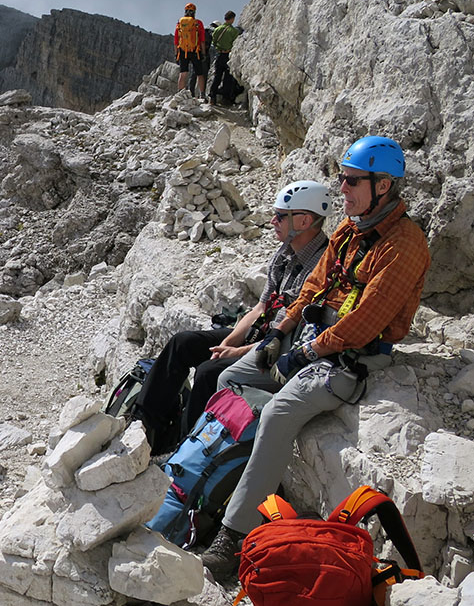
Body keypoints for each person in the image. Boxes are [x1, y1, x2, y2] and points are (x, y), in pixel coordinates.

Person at [200, 136, 431, 578]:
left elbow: (365, 322)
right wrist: (278, 333)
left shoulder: (404, 244)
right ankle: (223, 482)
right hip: (309, 336)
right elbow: (313, 287)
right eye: (342, 178)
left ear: (383, 186)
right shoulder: (350, 230)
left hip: (349, 355)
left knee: (277, 413)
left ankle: (234, 535)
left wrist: (305, 352)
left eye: (352, 181)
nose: (342, 188)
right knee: (230, 379)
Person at [133, 181, 332, 455]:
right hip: (262, 333)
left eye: (280, 216)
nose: (273, 221)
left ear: (305, 220)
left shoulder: (321, 266)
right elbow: (260, 308)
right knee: (183, 343)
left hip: (280, 347)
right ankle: (144, 426)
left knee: (208, 373)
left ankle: (184, 451)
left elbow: (290, 335)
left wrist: (236, 352)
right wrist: (227, 344)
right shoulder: (285, 254)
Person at [175, 3, 207, 98]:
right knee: (199, 74)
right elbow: (202, 40)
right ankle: (202, 94)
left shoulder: (180, 23)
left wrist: (176, 54)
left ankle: (180, 94)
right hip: (195, 51)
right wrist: (203, 53)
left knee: (183, 73)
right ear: (194, 12)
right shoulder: (198, 23)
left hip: (183, 51)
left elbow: (176, 41)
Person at [209, 11, 240, 106]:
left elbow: (213, 42)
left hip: (219, 55)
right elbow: (236, 44)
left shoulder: (218, 29)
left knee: (217, 77)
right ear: (232, 19)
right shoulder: (234, 31)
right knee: (227, 78)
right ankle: (225, 99)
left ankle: (212, 97)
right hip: (228, 56)